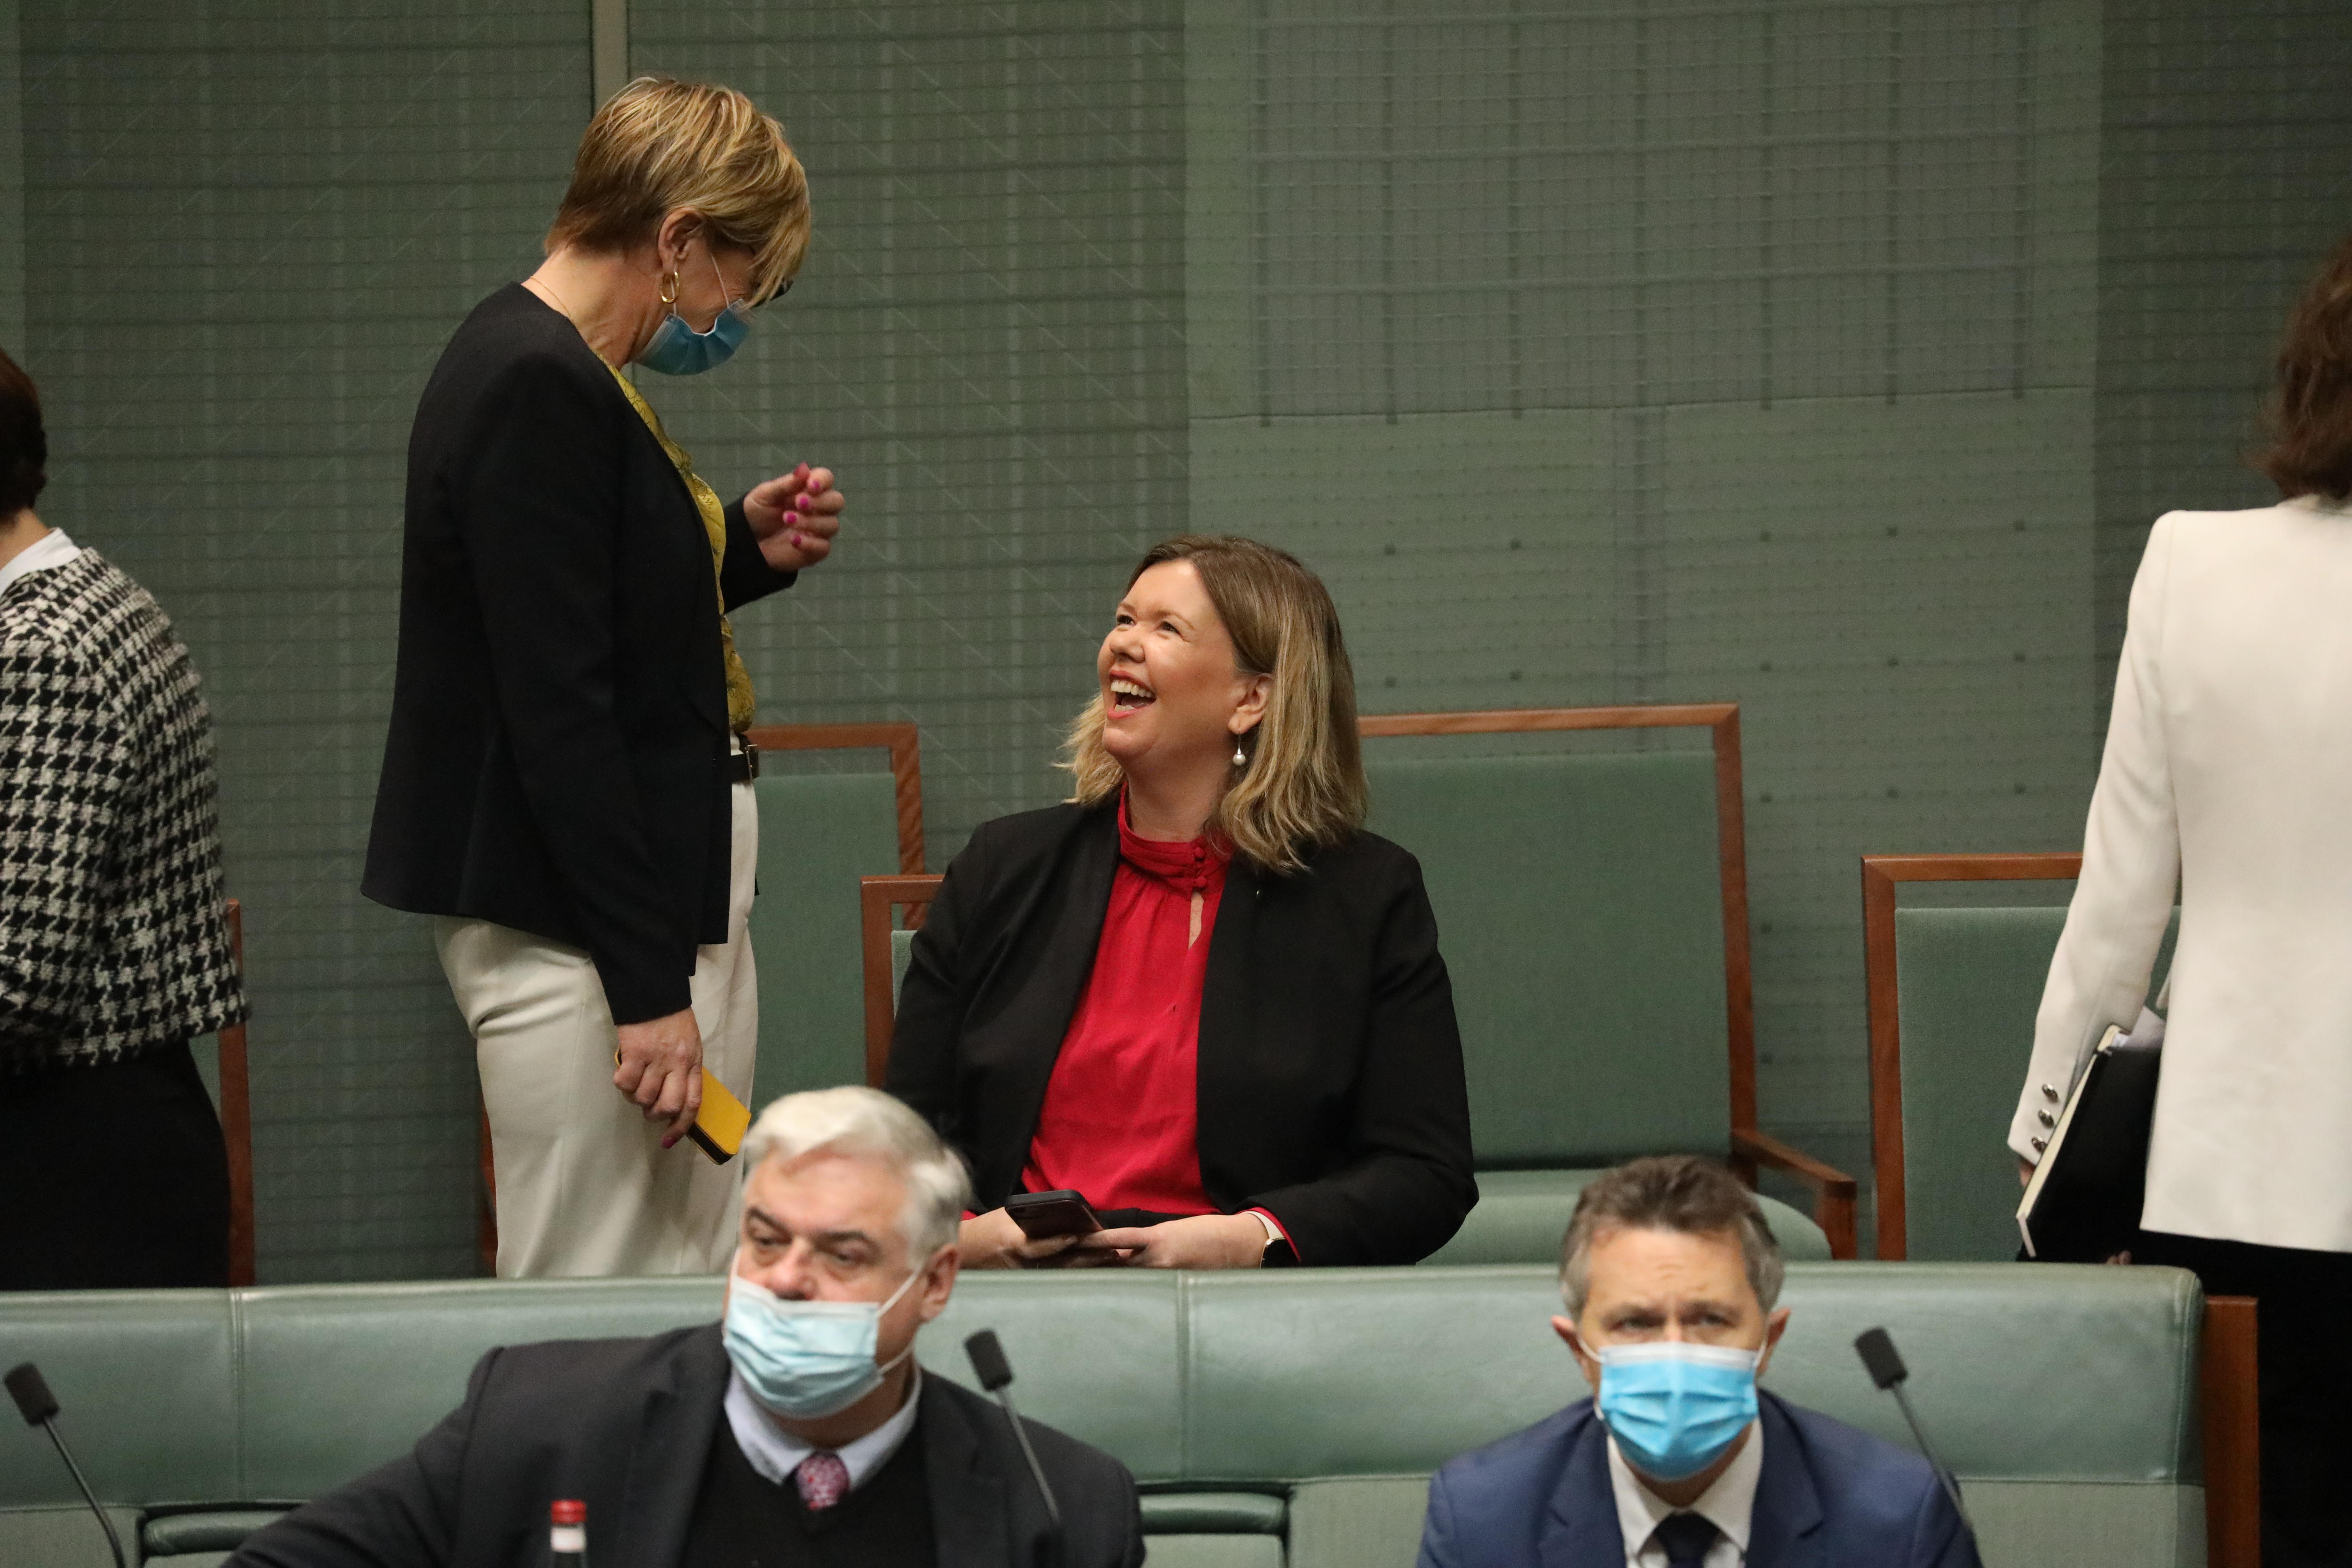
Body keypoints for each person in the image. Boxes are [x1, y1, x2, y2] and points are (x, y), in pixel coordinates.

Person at [363, 78, 848, 1277]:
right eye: (744, 280)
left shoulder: (569, 372)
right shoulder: (539, 380)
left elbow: (595, 611)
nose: (736, 312)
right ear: (677, 239)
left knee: (683, 1266)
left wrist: (734, 544)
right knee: (598, 1289)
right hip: (585, 934)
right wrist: (645, 987)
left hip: (639, 909)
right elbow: (557, 706)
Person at [2008, 233, 2352, 1568]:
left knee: (2256, 1515)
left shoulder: (2192, 562)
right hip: (2244, 1156)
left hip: (2231, 1154)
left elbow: (2121, 894)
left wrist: (2050, 1151)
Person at [227, 1086, 1145, 1568]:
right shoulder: (540, 1425)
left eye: (841, 1254)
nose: (787, 1279)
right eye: (765, 1238)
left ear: (935, 1281)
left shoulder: (1060, 1506)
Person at [887, 533, 1474, 1270]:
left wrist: (1250, 1237)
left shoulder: (1364, 893)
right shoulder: (1002, 867)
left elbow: (1426, 1174)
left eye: (1166, 629)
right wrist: (974, 1240)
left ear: (1251, 698)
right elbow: (903, 1140)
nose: (1124, 645)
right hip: (1016, 1295)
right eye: (1125, 620)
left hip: (1253, 1310)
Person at [0, 345, 247, 1289]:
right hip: (111, 1134)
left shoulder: (40, 651)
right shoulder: (99, 599)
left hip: (64, 1165)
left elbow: (18, 977)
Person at [1417, 1156, 1978, 1568]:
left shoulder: (1903, 1520)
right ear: (1578, 1351)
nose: (1674, 1350)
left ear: (1768, 1341)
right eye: (1634, 1323)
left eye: (1709, 1319)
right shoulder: (1482, 1525)